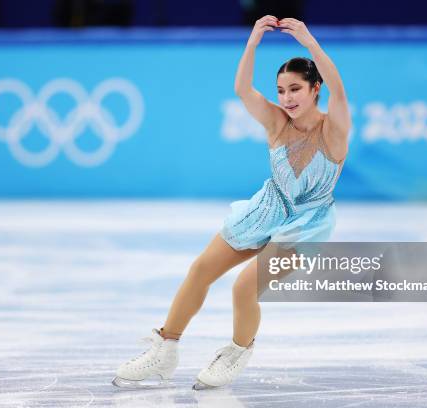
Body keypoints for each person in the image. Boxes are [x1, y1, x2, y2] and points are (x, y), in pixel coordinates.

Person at [112, 15, 351, 390]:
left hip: (307, 223)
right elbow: (242, 89)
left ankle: (238, 352)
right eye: (281, 90)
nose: (286, 98)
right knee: (201, 269)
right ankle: (165, 348)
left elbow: (340, 91)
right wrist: (253, 42)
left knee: (243, 287)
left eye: (295, 89)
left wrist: (308, 42)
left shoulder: (333, 130)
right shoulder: (276, 123)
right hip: (268, 208)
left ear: (314, 88)